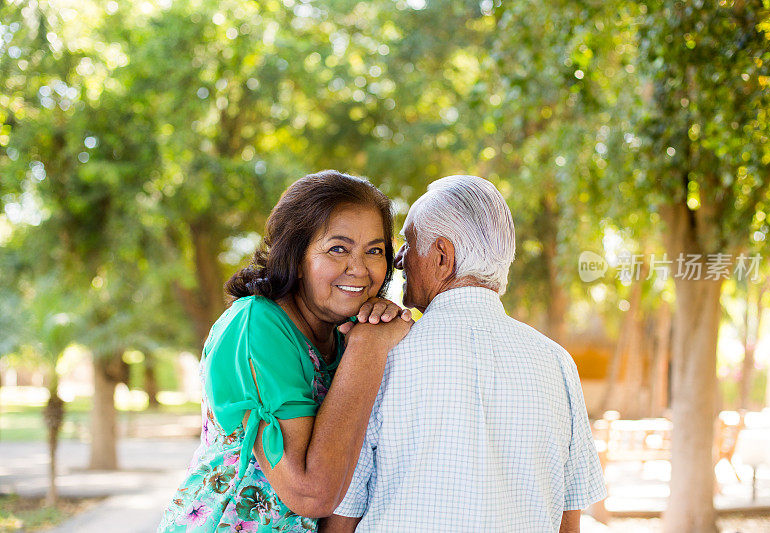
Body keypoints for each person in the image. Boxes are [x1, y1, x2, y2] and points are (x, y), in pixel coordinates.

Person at [319, 175, 606, 533]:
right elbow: (568, 519)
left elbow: (341, 514)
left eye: (408, 243)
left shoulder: (382, 354)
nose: (399, 261)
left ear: (442, 256)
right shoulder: (557, 362)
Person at [159, 170, 413, 533]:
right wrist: (368, 348)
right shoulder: (256, 325)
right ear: (294, 257)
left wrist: (373, 335)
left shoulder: (345, 332)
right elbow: (310, 493)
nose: (359, 268)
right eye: (337, 248)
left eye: (375, 250)